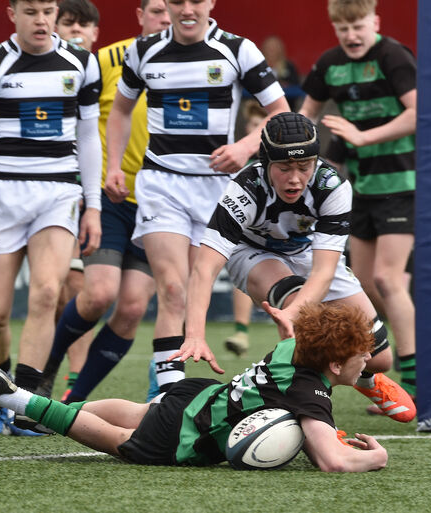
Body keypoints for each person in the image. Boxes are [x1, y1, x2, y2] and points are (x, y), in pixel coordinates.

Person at [173, 112, 415, 423]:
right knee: (299, 313)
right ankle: (307, 415)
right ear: (265, 163)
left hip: (308, 254)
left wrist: (294, 312)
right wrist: (194, 333)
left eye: (304, 167)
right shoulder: (245, 188)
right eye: (284, 168)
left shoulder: (333, 186)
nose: (296, 178)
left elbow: (324, 271)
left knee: (379, 357)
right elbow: (204, 268)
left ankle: (367, 379)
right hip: (253, 253)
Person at [104, 0, 289, 397]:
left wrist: (244, 147)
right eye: (176, 1)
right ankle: (169, 401)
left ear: (211, 3)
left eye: (195, 0)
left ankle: (291, 380)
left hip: (216, 188)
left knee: (201, 287)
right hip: (161, 183)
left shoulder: (238, 50)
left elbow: (280, 112)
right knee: (173, 289)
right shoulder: (143, 51)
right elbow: (120, 111)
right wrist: (113, 167)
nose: (187, 9)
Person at [0, 301, 388, 472]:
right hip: (192, 433)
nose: (368, 361)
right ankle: (12, 396)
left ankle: (42, 411)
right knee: (122, 441)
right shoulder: (310, 391)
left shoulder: (295, 348)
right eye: (361, 355)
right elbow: (332, 461)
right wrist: (376, 458)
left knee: (136, 412)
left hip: (200, 395)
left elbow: (292, 343)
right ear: (333, 363)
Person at [0, 0, 103, 434]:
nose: (41, 20)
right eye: (31, 11)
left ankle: (25, 406)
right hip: (3, 194)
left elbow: (88, 136)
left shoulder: (82, 63)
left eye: (47, 10)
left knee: (47, 292)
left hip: (58, 192)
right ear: (13, 14)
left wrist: (94, 204)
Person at [41, 0, 171, 404]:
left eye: (172, 10)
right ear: (141, 16)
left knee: (132, 308)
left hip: (162, 203)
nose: (165, 18)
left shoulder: (200, 65)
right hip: (110, 198)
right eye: (157, 10)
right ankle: (42, 373)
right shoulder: (108, 60)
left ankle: (70, 403)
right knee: (98, 293)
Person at [299, 0, 417, 404]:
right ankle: (407, 343)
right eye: (343, 27)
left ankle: (413, 371)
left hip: (402, 183)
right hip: (360, 189)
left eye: (359, 26)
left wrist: (363, 136)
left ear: (375, 22)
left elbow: (420, 112)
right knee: (365, 284)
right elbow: (306, 116)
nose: (351, 35)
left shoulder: (393, 56)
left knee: (387, 278)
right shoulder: (330, 63)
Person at [48, 0, 102, 400]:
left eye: (84, 24)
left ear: (96, 33)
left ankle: (73, 382)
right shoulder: (44, 73)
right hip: (53, 192)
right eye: (68, 23)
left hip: (99, 198)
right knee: (58, 288)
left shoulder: (107, 72)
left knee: (81, 286)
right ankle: (44, 368)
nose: (77, 30)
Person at [223, 100, 268, 358]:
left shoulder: (283, 168)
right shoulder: (237, 160)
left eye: (260, 127)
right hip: (239, 230)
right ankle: (240, 332)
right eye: (252, 126)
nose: (256, 132)